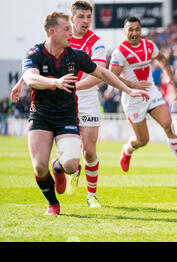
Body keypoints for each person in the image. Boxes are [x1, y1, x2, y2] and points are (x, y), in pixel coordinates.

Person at [17, 11, 149, 216]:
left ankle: (59, 166)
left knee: (71, 164)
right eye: (66, 29)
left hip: (66, 115)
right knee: (40, 168)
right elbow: (31, 79)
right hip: (41, 115)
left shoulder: (75, 55)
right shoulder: (35, 53)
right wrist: (55, 82)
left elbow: (103, 73)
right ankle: (53, 204)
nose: (71, 32)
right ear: (52, 32)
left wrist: (129, 90)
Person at [11, 1, 110, 208]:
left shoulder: (97, 42)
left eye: (88, 17)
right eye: (81, 17)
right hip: (60, 95)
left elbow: (99, 74)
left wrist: (72, 87)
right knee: (61, 160)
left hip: (85, 95)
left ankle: (91, 195)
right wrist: (22, 81)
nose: (85, 21)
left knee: (89, 151)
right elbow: (36, 63)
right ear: (71, 19)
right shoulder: (61, 37)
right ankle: (60, 167)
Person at [109, 16, 177, 177]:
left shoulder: (149, 45)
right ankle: (127, 149)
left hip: (151, 93)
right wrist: (134, 85)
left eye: (137, 29)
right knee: (143, 140)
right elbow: (112, 77)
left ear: (141, 30)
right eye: (131, 29)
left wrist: (169, 76)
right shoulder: (119, 52)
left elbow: (161, 59)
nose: (134, 33)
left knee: (168, 125)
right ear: (124, 31)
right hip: (132, 98)